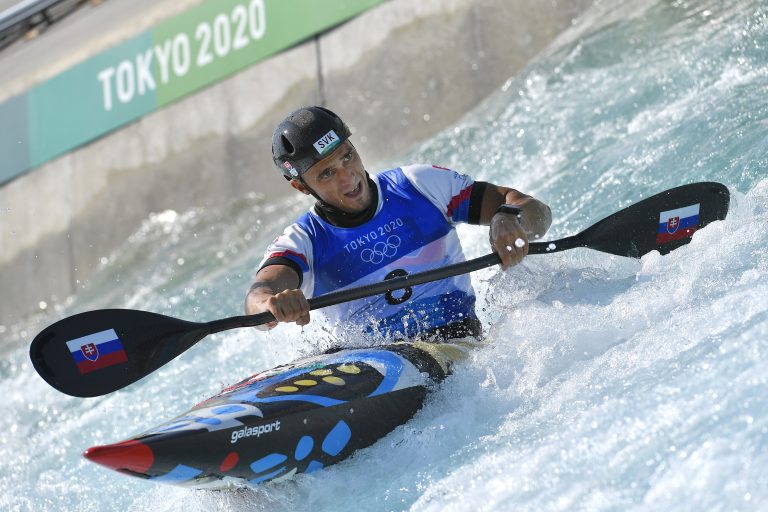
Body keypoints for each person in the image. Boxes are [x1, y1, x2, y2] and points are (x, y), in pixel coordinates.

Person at [245, 106, 551, 342]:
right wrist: (272, 304)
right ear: (301, 187)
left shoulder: (421, 185)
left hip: (456, 340)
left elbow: (537, 212)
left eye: (348, 156)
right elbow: (258, 296)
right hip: (368, 362)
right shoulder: (304, 240)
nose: (348, 176)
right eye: (326, 173)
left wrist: (508, 216)